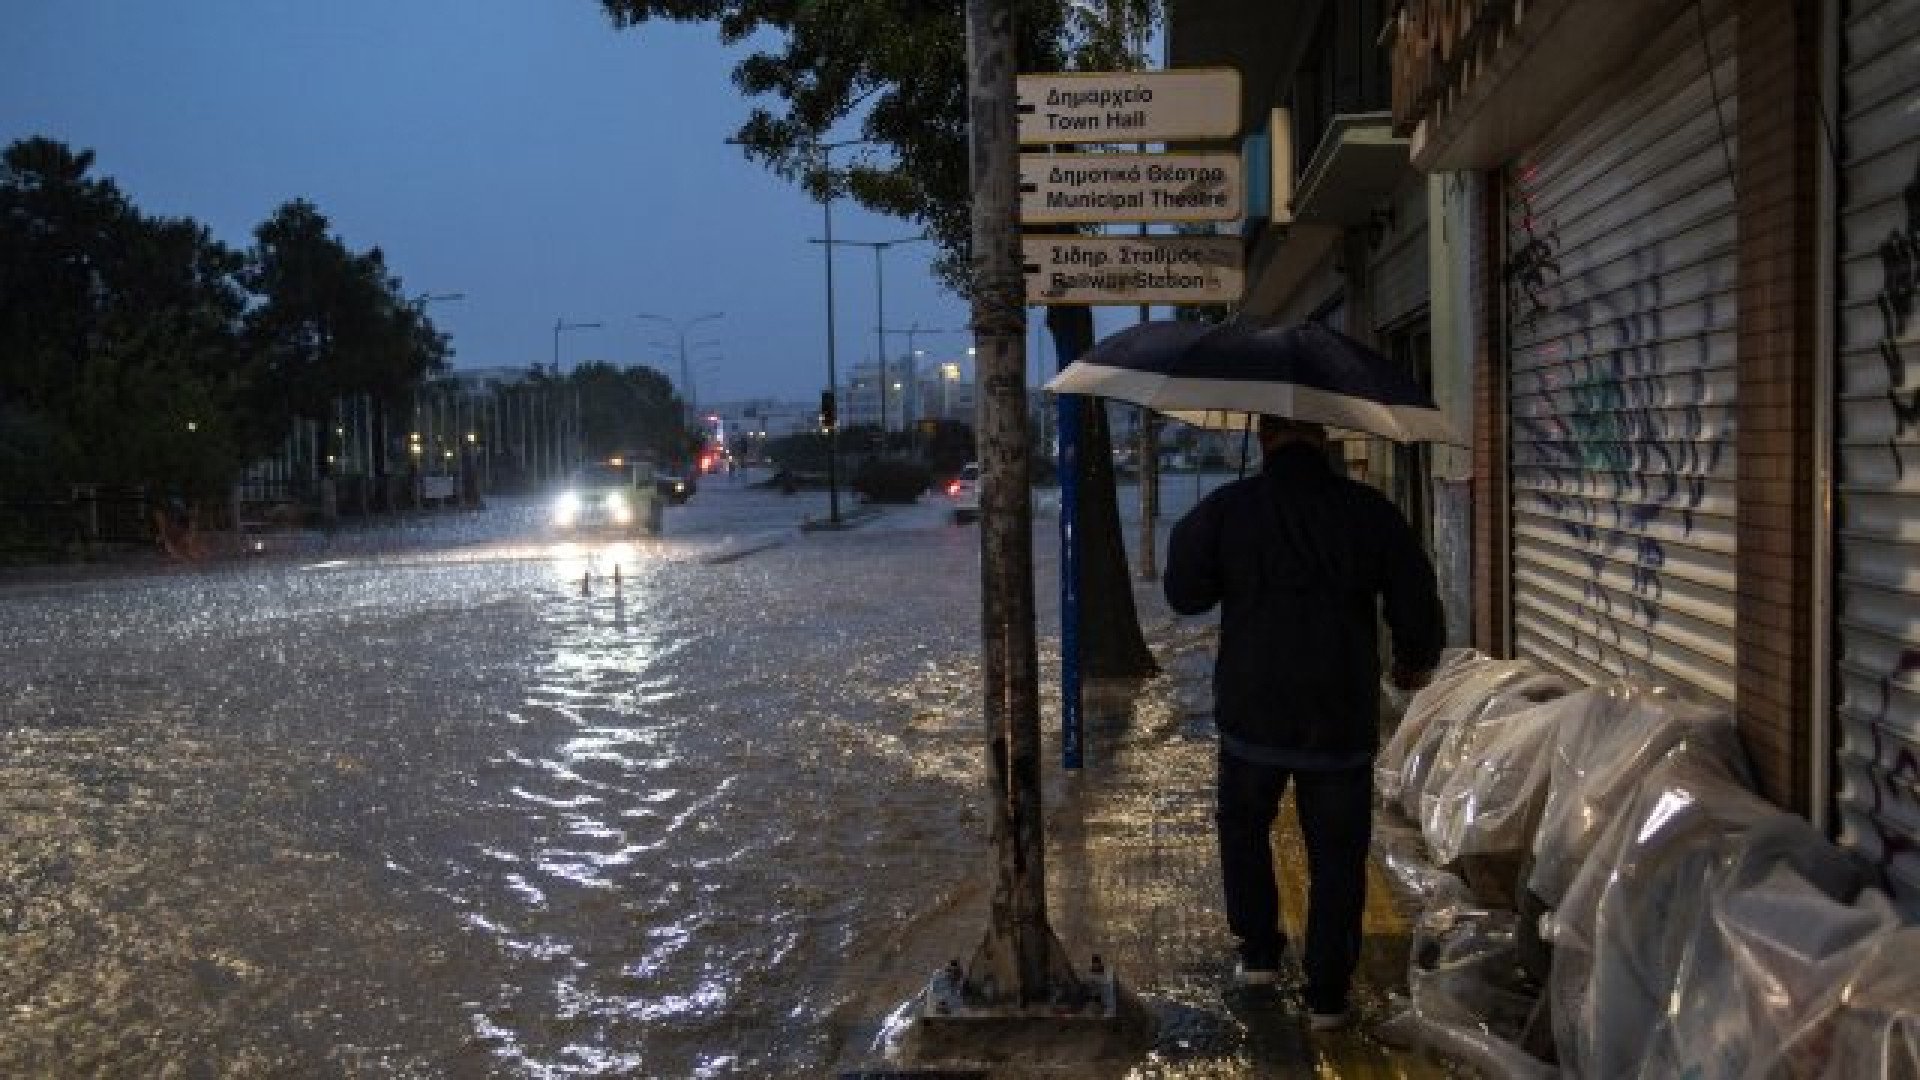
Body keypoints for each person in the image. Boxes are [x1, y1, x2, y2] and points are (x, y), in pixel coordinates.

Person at [1164, 415, 1443, 1031]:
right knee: (1338, 854)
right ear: (1325, 438)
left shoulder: (1229, 508)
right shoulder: (1367, 511)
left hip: (1251, 712)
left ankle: (1260, 953)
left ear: (1262, 440)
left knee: (1243, 831)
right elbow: (1414, 593)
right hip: (1338, 713)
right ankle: (1327, 994)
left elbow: (1184, 593)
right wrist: (1414, 661)